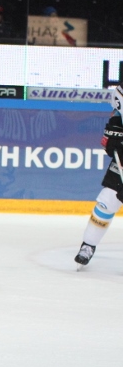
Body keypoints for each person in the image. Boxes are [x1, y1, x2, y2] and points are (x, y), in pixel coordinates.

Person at [74, 85, 123, 268]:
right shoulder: (120, 93)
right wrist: (113, 137)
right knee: (107, 201)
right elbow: (115, 120)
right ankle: (88, 245)